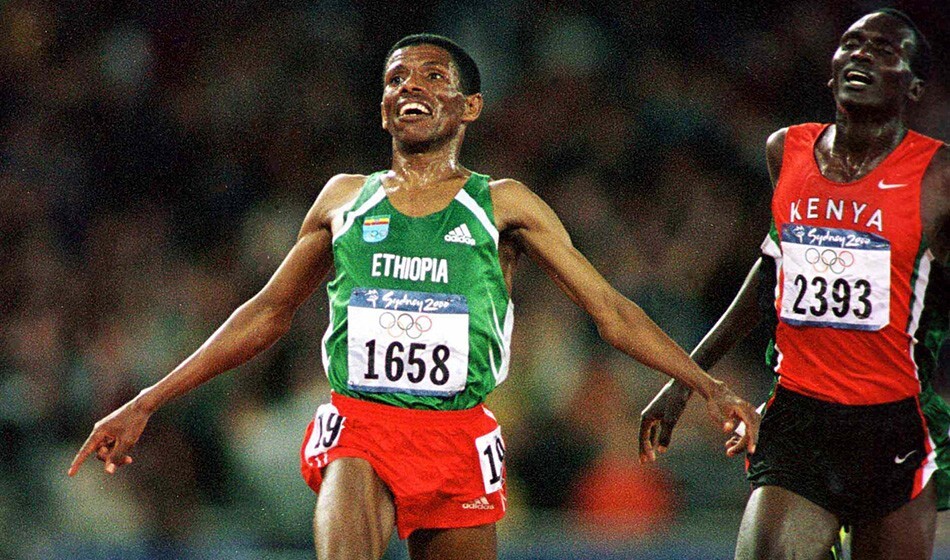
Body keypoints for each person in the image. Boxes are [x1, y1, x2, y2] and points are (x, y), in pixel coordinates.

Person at [67, 34, 760, 560]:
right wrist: (146, 400)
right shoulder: (343, 199)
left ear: (469, 106)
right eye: (396, 77)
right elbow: (267, 312)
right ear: (382, 109)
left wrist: (705, 385)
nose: (411, 86)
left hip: (458, 435)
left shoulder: (503, 204)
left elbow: (611, 311)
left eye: (433, 76)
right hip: (362, 424)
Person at [638, 9, 949, 560]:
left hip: (894, 423)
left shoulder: (939, 178)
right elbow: (770, 275)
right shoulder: (787, 151)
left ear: (915, 87)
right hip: (800, 418)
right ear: (831, 72)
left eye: (884, 50)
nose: (862, 54)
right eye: (851, 43)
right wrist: (684, 380)